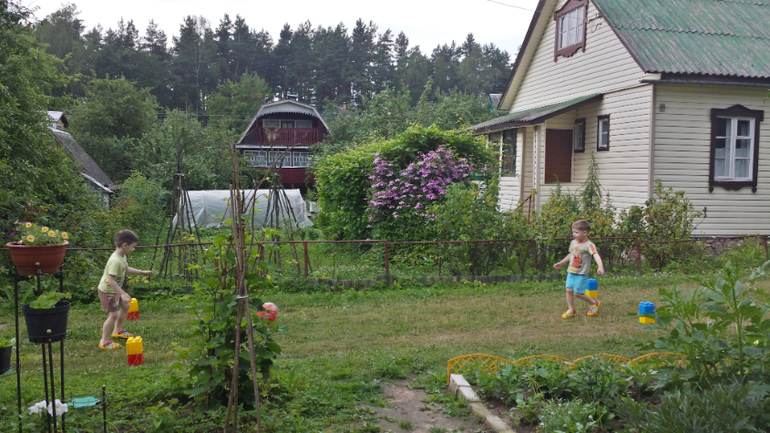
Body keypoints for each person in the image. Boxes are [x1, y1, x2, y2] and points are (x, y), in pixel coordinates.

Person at [97, 230, 153, 350]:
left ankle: (117, 330)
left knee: (126, 305)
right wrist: (121, 293)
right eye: (133, 246)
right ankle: (104, 341)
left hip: (114, 290)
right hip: (108, 291)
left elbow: (126, 269)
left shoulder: (122, 257)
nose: (134, 249)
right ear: (125, 245)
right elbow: (110, 280)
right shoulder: (115, 261)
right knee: (113, 315)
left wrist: (142, 272)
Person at [553, 220, 605, 319]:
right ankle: (571, 310)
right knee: (568, 290)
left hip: (581, 274)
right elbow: (571, 254)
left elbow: (595, 255)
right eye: (573, 232)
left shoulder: (589, 245)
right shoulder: (573, 243)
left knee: (578, 293)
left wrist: (600, 266)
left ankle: (594, 303)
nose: (573, 234)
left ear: (585, 233)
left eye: (576, 232)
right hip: (571, 272)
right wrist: (561, 263)